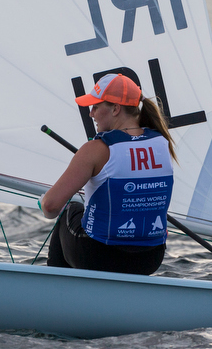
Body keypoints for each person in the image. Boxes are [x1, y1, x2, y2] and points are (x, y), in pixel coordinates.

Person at [38, 73, 176, 275]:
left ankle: (56, 296)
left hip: (99, 256)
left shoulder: (96, 149)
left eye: (95, 107)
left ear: (115, 108)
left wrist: (43, 203)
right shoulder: (163, 143)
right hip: (150, 258)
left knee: (70, 210)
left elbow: (50, 208)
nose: (91, 114)